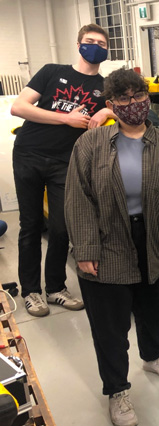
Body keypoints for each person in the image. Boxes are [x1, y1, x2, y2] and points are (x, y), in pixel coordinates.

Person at [65, 68, 159, 426]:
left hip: (153, 239)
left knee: (153, 310)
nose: (132, 103)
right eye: (122, 98)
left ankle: (152, 357)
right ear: (111, 105)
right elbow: (78, 200)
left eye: (138, 95)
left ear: (147, 98)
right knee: (110, 325)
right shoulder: (90, 145)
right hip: (107, 242)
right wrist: (86, 248)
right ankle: (117, 390)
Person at [10, 24, 115, 317]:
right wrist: (65, 119)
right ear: (79, 44)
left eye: (101, 43)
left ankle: (55, 288)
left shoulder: (105, 87)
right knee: (30, 225)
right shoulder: (51, 71)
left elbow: (126, 105)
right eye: (89, 41)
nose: (95, 46)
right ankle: (31, 291)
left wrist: (105, 110)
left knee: (61, 227)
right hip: (29, 154)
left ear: (107, 50)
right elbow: (19, 108)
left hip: (66, 162)